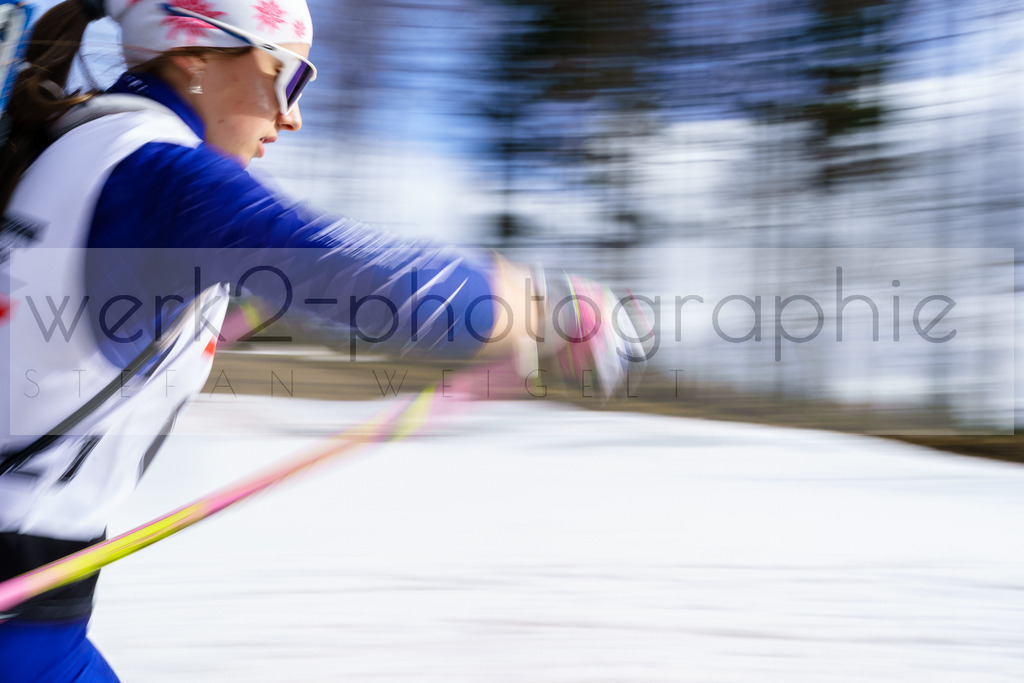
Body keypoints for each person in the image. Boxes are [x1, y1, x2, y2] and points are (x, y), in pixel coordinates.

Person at [0, 0, 643, 679]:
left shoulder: (74, 142)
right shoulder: (164, 176)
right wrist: (545, 308)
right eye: (288, 77)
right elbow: (358, 277)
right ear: (195, 55)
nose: (292, 116)